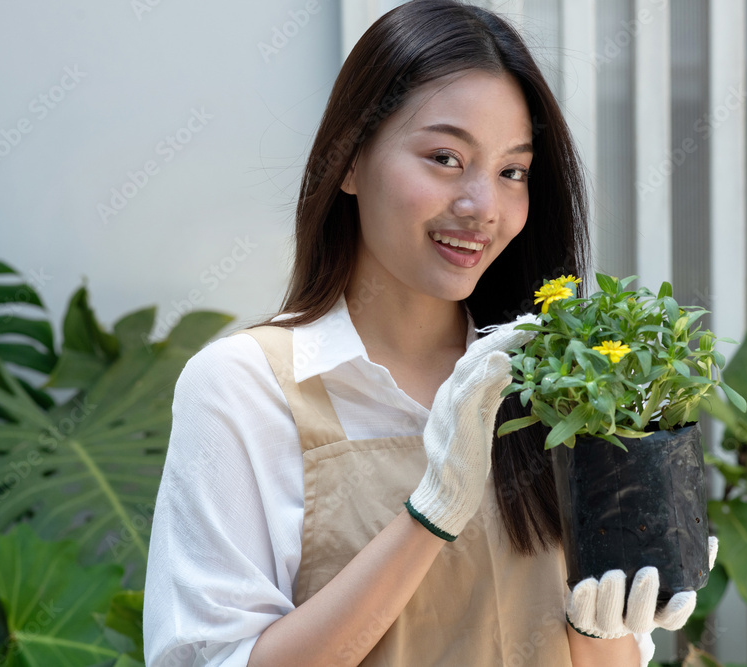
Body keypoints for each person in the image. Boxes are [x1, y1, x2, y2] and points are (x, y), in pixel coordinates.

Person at [143, 1, 716, 665]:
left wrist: (603, 626)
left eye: (513, 171)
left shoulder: (560, 386)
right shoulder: (247, 388)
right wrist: (433, 510)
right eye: (445, 157)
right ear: (350, 161)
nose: (482, 207)